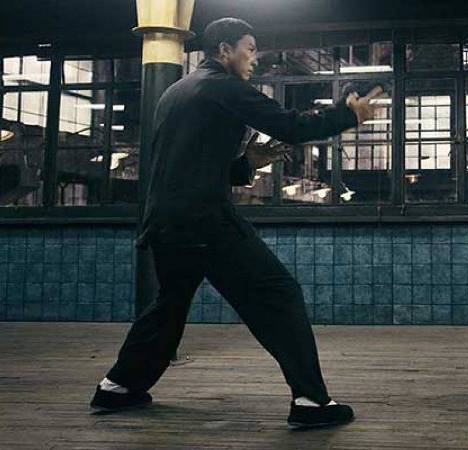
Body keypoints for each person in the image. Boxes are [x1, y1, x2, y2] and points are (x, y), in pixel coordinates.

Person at [90, 17, 376, 430]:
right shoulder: (223, 86)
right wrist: (348, 115)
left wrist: (246, 164)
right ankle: (311, 401)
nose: (254, 59)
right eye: (250, 49)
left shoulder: (176, 91)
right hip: (205, 219)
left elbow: (191, 165)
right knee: (278, 293)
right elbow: (291, 126)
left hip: (167, 220)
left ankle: (117, 386)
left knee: (170, 303)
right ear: (225, 50)